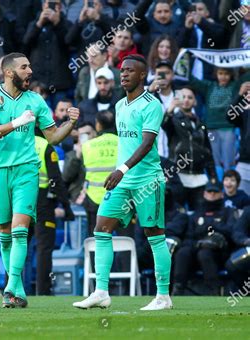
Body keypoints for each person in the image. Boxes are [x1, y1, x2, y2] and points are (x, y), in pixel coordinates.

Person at [0, 52, 80, 308]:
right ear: (10, 72)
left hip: (26, 169)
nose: (30, 71)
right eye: (25, 67)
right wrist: (17, 122)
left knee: (20, 229)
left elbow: (54, 138)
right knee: (4, 233)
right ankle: (17, 289)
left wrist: (70, 123)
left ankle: (10, 287)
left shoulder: (35, 100)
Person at [73, 55, 172, 310]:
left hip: (148, 180)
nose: (124, 74)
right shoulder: (119, 105)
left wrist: (122, 168)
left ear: (142, 75)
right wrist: (122, 171)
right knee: (101, 228)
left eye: (129, 71)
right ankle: (101, 292)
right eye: (122, 71)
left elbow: (147, 143)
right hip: (123, 180)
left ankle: (163, 296)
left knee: (154, 234)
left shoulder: (152, 105)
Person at [172, 181, 237, 295]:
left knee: (204, 253)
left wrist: (213, 227)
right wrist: (199, 244)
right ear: (204, 194)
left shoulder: (228, 212)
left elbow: (232, 232)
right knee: (183, 252)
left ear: (221, 194)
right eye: (209, 191)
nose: (212, 194)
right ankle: (177, 288)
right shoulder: (197, 214)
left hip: (218, 253)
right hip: (196, 249)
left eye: (215, 191)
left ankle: (214, 290)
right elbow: (188, 237)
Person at [161, 86, 217, 211]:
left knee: (198, 215)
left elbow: (208, 151)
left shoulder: (201, 124)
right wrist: (170, 109)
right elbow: (164, 124)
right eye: (183, 97)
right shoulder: (173, 120)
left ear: (195, 102)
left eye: (190, 97)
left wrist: (213, 176)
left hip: (199, 177)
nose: (186, 100)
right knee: (178, 214)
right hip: (178, 175)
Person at [33, 130, 74, 295]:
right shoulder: (46, 147)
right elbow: (55, 180)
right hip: (42, 201)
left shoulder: (18, 143)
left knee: (17, 245)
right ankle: (43, 290)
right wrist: (66, 207)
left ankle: (12, 288)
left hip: (19, 198)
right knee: (44, 248)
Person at [23, 1, 72, 108]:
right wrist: (39, 24)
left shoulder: (67, 24)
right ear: (43, 5)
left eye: (55, 4)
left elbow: (69, 43)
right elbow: (26, 43)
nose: (51, 7)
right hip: (38, 83)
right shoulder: (34, 24)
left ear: (60, 7)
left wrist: (57, 23)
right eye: (48, 3)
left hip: (59, 84)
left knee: (60, 118)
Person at [80, 110, 118, 234]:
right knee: (124, 240)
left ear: (98, 125)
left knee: (95, 238)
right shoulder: (123, 143)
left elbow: (82, 172)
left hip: (94, 199)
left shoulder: (87, 146)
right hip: (119, 198)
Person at [227, 81, 250, 195]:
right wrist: (240, 96)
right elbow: (230, 116)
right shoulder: (246, 110)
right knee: (241, 204)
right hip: (245, 163)